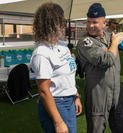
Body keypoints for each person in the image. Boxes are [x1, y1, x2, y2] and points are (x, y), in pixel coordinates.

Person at [30, 2, 82, 133]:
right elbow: (43, 91)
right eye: (60, 21)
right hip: (56, 103)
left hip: (68, 101)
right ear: (50, 24)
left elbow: (68, 75)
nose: (64, 25)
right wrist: (58, 122)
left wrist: (75, 95)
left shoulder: (62, 45)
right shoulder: (42, 53)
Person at [76, 3, 123, 133]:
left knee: (121, 127)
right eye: (88, 22)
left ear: (104, 23)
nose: (90, 26)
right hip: (98, 94)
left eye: (95, 22)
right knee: (96, 129)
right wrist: (115, 43)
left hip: (116, 93)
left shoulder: (109, 36)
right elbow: (106, 60)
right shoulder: (85, 41)